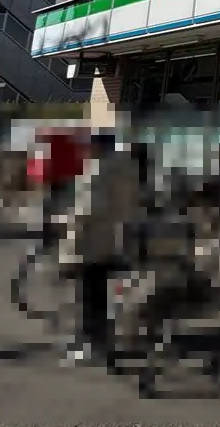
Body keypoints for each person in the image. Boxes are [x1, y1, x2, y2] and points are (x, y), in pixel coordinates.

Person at [59, 131, 147, 364]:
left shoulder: (99, 171)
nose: (86, 148)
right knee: (98, 293)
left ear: (98, 146)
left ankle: (93, 343)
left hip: (92, 242)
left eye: (90, 144)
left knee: (90, 295)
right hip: (111, 239)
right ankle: (100, 338)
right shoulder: (122, 167)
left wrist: (69, 229)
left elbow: (89, 210)